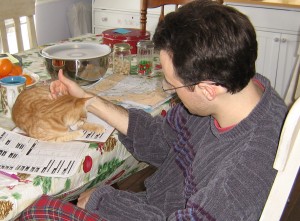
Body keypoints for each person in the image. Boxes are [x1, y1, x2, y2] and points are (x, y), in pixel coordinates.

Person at [20, 0, 287, 220]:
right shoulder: (236, 85)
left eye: (172, 85)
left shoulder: (248, 167)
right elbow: (163, 140)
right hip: (157, 204)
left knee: (32, 212)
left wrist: (105, 201)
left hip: (159, 213)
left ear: (207, 89)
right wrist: (89, 101)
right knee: (39, 206)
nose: (169, 90)